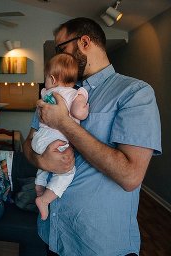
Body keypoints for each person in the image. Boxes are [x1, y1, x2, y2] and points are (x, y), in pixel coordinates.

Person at [23, 17, 161, 255]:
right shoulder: (53, 93)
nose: (57, 56)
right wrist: (40, 160)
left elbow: (130, 176)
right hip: (52, 235)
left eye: (61, 48)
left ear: (84, 42)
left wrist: (64, 123)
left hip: (97, 244)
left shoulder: (135, 93)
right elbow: (28, 144)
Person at [31, 53, 89, 221]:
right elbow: (79, 112)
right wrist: (85, 107)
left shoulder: (47, 93)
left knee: (46, 160)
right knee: (66, 171)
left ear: (53, 79)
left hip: (39, 139)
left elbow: (39, 109)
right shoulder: (74, 94)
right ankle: (44, 199)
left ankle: (40, 184)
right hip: (56, 140)